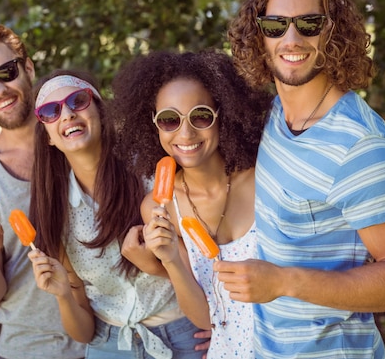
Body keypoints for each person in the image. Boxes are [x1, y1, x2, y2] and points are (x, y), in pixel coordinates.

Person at [220, 0, 385, 357]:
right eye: (275, 25)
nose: (291, 39)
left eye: (309, 23)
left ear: (333, 32)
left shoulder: (361, 146)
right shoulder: (278, 112)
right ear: (259, 35)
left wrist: (282, 282)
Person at [27, 70, 206, 359]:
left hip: (184, 334)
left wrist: (218, 324)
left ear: (100, 111)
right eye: (51, 111)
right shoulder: (54, 211)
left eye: (78, 100)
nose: (68, 114)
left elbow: (204, 266)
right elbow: (83, 332)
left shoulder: (152, 171)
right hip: (109, 346)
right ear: (47, 136)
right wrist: (63, 296)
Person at [110, 50, 272, 358]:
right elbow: (203, 317)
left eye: (200, 115)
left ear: (222, 114)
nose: (185, 133)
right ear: (154, 125)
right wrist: (169, 260)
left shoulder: (263, 180)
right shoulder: (161, 208)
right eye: (169, 120)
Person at [0, 23, 86, 359]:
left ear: (28, 68)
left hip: (111, 339)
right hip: (31, 347)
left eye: (6, 72)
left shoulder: (79, 136)